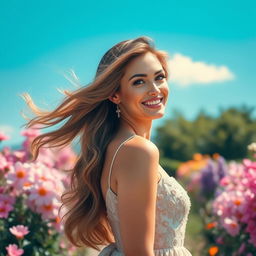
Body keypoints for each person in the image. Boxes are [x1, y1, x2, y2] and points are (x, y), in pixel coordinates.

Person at [22, 36, 192, 256]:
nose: (155, 89)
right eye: (139, 81)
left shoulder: (117, 147)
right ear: (114, 94)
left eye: (159, 77)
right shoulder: (138, 151)